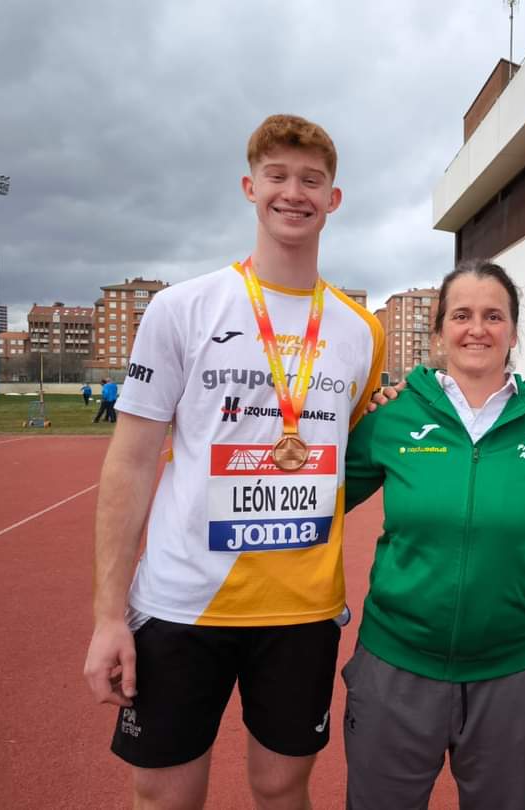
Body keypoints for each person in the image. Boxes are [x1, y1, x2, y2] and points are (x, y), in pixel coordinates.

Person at [82, 114, 384, 810]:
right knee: (162, 792)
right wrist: (106, 618)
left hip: (301, 609)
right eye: (277, 176)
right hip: (182, 602)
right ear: (251, 187)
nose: (294, 192)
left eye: (312, 180)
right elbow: (129, 465)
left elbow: (350, 450)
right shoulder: (180, 309)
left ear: (333, 199)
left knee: (282, 786)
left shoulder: (361, 332)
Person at [342, 260, 525, 810]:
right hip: (395, 668)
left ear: (514, 332)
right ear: (439, 331)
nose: (477, 328)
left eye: (494, 315)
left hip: (510, 675)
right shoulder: (394, 415)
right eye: (462, 315)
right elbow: (321, 502)